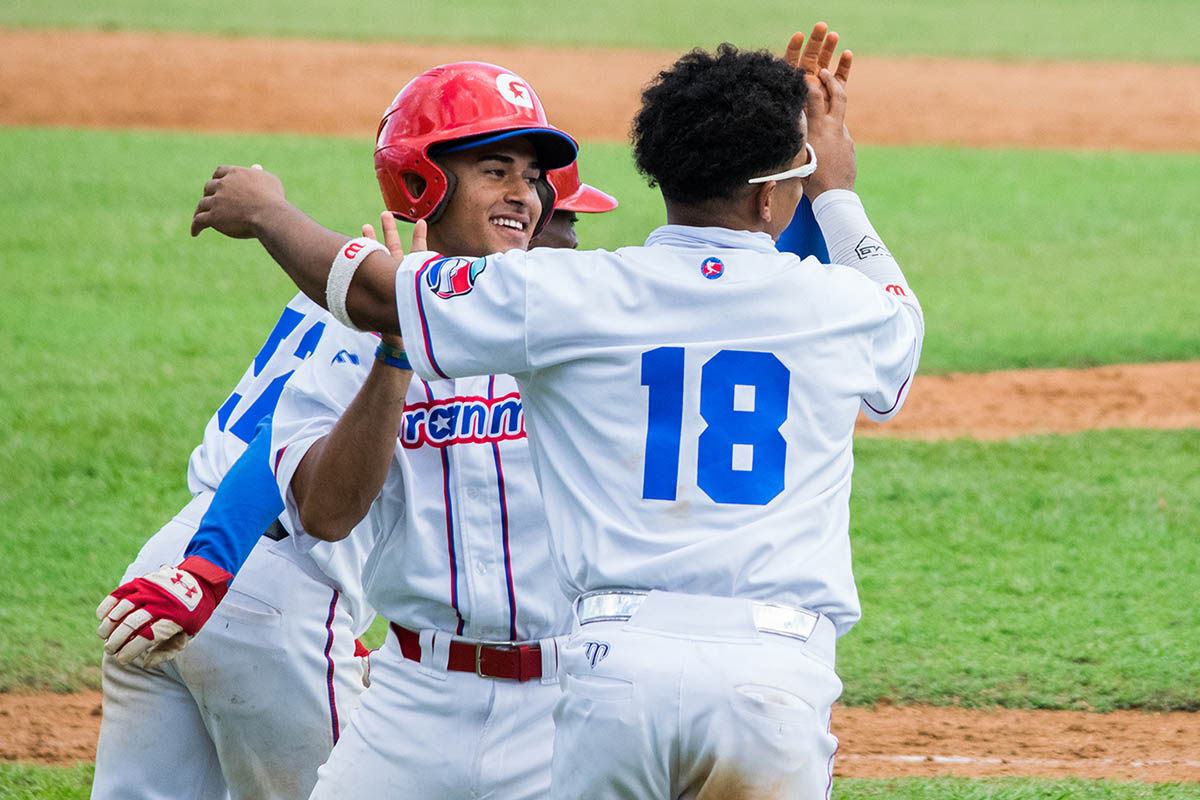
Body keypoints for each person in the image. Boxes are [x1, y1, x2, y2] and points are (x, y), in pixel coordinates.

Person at [192, 38, 920, 800]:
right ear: (772, 196)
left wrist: (271, 213)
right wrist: (835, 190)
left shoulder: (575, 291)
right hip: (773, 671)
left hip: (614, 663)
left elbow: (377, 293)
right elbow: (898, 352)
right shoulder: (841, 308)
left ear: (658, 173)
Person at [92, 61, 601, 800]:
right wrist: (208, 567)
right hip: (259, 576)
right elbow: (276, 454)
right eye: (500, 174)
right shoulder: (374, 309)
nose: (545, 217)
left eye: (544, 194)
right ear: (429, 186)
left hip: (172, 563)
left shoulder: (359, 297)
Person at [267, 62, 618, 799]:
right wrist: (399, 340)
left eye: (532, 176)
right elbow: (327, 514)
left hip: (566, 698)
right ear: (424, 184)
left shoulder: (582, 316)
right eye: (496, 170)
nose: (524, 194)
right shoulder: (341, 338)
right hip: (412, 701)